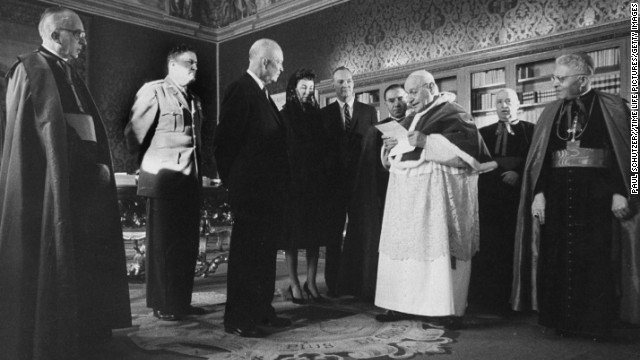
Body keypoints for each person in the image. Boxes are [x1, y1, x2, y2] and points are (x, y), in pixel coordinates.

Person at [0, 7, 131, 359]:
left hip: (84, 187)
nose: (83, 41)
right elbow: (44, 136)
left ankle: (87, 331)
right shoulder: (29, 69)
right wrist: (89, 165)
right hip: (52, 186)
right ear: (56, 35)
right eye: (78, 33)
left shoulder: (66, 71)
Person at [511, 53, 639, 340]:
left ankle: (594, 324)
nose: (553, 82)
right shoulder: (550, 112)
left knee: (594, 262)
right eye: (554, 77)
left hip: (597, 197)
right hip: (556, 196)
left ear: (582, 80)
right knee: (556, 258)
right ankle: (560, 321)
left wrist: (622, 192)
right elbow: (540, 159)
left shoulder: (615, 108)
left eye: (560, 78)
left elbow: (630, 154)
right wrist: (539, 193)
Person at [374, 70, 495, 329]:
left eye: (414, 92)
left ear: (431, 86)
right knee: (407, 251)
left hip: (437, 200)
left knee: (438, 250)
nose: (410, 99)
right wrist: (389, 148)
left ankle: (444, 309)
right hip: (406, 201)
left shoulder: (453, 112)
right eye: (408, 93)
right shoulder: (411, 117)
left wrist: (427, 140)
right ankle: (401, 304)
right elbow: (397, 160)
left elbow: (469, 154)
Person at [213, 38, 291, 338]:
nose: (282, 69)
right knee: (247, 257)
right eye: (279, 62)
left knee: (264, 256)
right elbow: (223, 145)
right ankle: (238, 319)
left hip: (268, 195)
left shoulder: (264, 94)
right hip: (250, 194)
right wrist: (236, 187)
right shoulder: (240, 89)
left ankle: (261, 311)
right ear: (265, 62)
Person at [125, 44, 206, 321]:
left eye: (196, 64)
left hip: (188, 182)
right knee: (163, 247)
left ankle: (181, 301)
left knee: (186, 246)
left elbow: (197, 143)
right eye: (189, 63)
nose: (194, 67)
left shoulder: (194, 99)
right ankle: (163, 304)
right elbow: (134, 134)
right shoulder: (155, 90)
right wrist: (145, 167)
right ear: (173, 65)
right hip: (163, 183)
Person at [336, 84, 409, 301]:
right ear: (385, 104)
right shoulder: (376, 130)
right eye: (392, 100)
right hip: (385, 195)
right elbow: (368, 172)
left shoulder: (418, 125)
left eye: (401, 99)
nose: (397, 104)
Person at [468, 88, 534, 314]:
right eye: (499, 102)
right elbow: (477, 161)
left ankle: (514, 302)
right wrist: (497, 173)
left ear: (518, 105)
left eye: (508, 101)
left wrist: (517, 171)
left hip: (518, 196)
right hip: (489, 197)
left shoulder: (531, 131)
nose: (504, 106)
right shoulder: (482, 132)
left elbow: (535, 159)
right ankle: (488, 301)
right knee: (489, 248)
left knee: (513, 247)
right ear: (494, 107)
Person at [322, 66, 378, 298]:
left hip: (361, 182)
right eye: (338, 83)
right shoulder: (324, 114)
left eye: (347, 82)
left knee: (359, 233)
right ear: (333, 86)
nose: (343, 86)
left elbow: (374, 146)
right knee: (333, 234)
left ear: (353, 84)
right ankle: (334, 284)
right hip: (334, 185)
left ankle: (357, 283)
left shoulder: (368, 112)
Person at [277, 68, 329, 304]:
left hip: (316, 184)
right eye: (303, 88)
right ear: (293, 90)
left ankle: (311, 282)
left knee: (313, 237)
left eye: (310, 88)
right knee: (292, 238)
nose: (308, 92)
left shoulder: (317, 115)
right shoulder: (284, 115)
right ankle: (294, 283)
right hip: (292, 185)